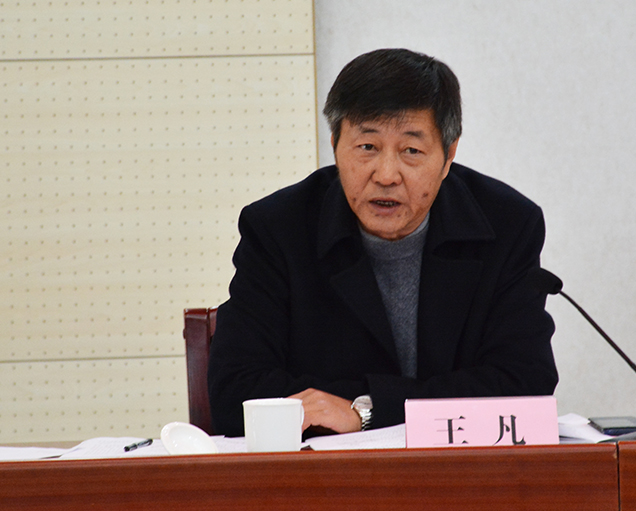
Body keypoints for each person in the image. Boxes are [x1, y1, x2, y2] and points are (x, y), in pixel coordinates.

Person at [208, 48, 558, 437]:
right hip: (326, 472)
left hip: (461, 469)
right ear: (335, 145)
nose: (386, 175)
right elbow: (234, 393)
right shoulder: (278, 230)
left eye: (411, 151)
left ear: (448, 155)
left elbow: (525, 385)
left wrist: (368, 410)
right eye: (367, 147)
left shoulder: (507, 225)